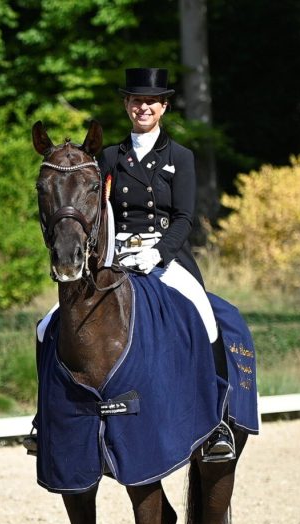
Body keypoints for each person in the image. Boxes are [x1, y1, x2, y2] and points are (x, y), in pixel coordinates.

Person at [98, 66, 234, 462]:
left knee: (207, 318)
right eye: (136, 100)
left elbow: (185, 218)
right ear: (127, 105)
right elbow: (100, 215)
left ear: (164, 107)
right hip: (116, 256)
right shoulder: (109, 157)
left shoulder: (180, 157)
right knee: (51, 323)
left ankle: (217, 422)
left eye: (151, 101)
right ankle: (48, 419)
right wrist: (113, 251)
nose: (143, 107)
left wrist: (157, 253)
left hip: (164, 257)